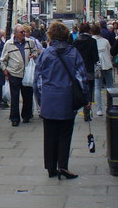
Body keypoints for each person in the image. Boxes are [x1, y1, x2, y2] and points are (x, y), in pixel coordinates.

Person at [34, 21, 90, 180]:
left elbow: (37, 79)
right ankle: (63, 166)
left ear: (50, 35)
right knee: (65, 133)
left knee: (49, 134)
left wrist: (40, 100)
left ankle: (51, 168)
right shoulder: (73, 52)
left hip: (49, 98)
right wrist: (86, 98)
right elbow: (81, 78)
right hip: (67, 98)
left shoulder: (45, 53)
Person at [0, 24, 39, 126]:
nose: (24, 34)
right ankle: (14, 118)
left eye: (24, 32)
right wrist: (5, 70)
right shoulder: (9, 44)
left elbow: (35, 51)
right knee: (15, 97)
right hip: (14, 73)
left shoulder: (29, 42)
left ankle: (26, 115)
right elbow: (3, 60)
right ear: (15, 33)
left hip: (27, 73)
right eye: (21, 32)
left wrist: (34, 55)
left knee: (27, 96)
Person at [72, 23, 98, 122]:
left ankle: (75, 109)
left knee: (78, 90)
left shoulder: (76, 42)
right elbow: (95, 57)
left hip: (78, 70)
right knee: (89, 90)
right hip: (89, 69)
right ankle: (87, 112)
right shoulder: (92, 41)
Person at [90, 23, 114, 116]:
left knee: (97, 87)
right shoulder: (105, 41)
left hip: (97, 66)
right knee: (110, 86)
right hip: (107, 65)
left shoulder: (91, 41)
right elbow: (110, 52)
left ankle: (99, 109)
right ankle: (110, 106)